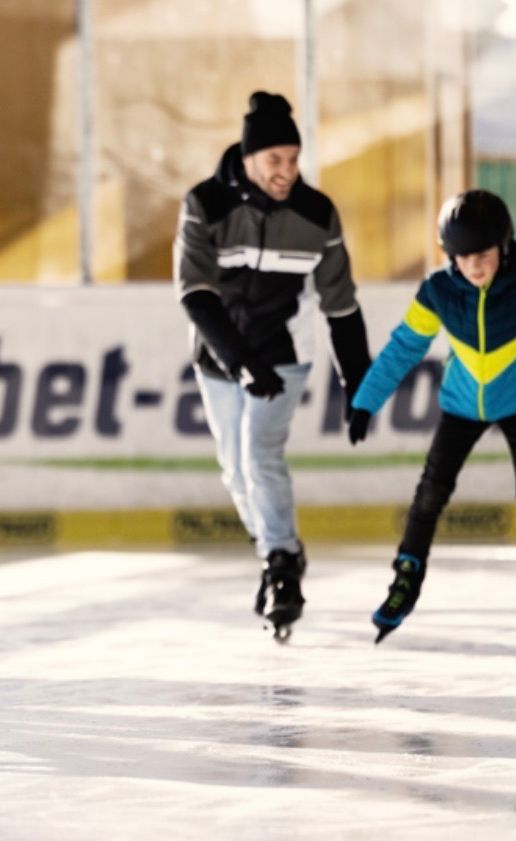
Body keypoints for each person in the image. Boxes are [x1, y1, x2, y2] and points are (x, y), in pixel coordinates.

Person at [173, 91, 371, 641]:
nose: (287, 171)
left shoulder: (315, 214)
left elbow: (342, 304)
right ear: (248, 156)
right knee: (235, 471)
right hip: (219, 356)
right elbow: (195, 293)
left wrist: (361, 382)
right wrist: (238, 363)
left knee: (260, 456)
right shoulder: (206, 204)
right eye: (275, 160)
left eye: (293, 158)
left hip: (285, 353)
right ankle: (278, 549)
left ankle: (282, 567)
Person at [347, 189, 516, 643]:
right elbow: (405, 347)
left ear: (504, 245)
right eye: (461, 257)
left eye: (482, 254)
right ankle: (407, 578)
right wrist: (365, 401)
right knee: (429, 493)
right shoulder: (438, 292)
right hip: (462, 405)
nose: (473, 266)